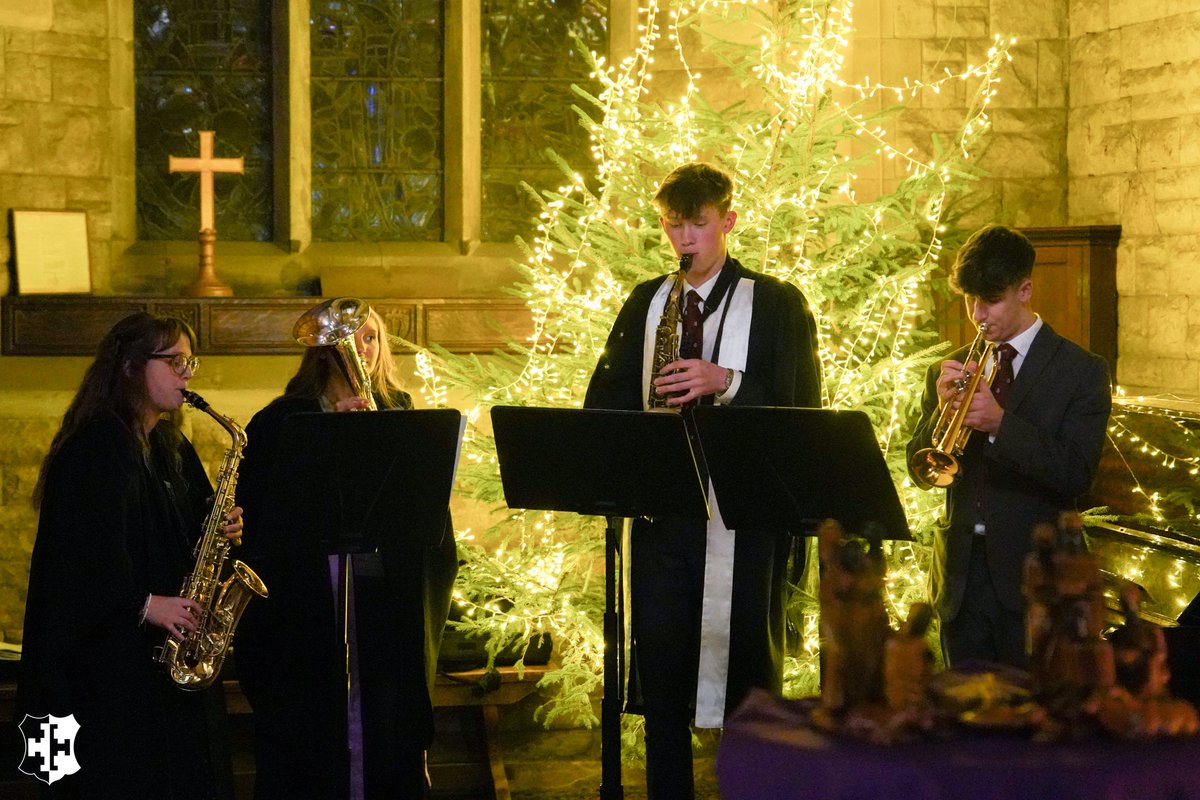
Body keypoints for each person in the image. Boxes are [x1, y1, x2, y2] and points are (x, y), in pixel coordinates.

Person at [584, 162, 822, 799]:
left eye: (698, 224)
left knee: (748, 684)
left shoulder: (775, 302)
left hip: (742, 522)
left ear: (729, 222)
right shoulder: (647, 301)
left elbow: (804, 410)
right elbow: (603, 399)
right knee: (662, 681)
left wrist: (728, 382)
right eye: (672, 226)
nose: (685, 239)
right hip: (663, 516)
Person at [234, 302, 457, 800]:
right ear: (321, 351)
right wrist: (333, 444)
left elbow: (424, 510)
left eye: (373, 337)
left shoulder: (399, 410)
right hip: (309, 607)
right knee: (314, 731)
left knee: (386, 716)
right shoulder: (283, 419)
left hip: (381, 593)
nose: (364, 347)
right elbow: (263, 514)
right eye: (353, 338)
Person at [17, 312, 243, 798]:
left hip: (156, 671)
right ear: (129, 366)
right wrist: (145, 604)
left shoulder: (169, 443)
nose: (187, 374)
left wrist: (223, 526)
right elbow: (74, 564)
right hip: (103, 678)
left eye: (190, 362)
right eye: (175, 362)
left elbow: (190, 533)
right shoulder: (96, 448)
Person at [906, 224, 1111, 668]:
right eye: (970, 300)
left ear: (1025, 290)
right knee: (961, 716)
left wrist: (1000, 425)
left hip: (1035, 581)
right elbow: (922, 470)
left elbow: (1076, 473)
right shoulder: (955, 365)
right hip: (960, 581)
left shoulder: (1081, 371)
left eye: (991, 300)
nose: (978, 315)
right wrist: (939, 411)